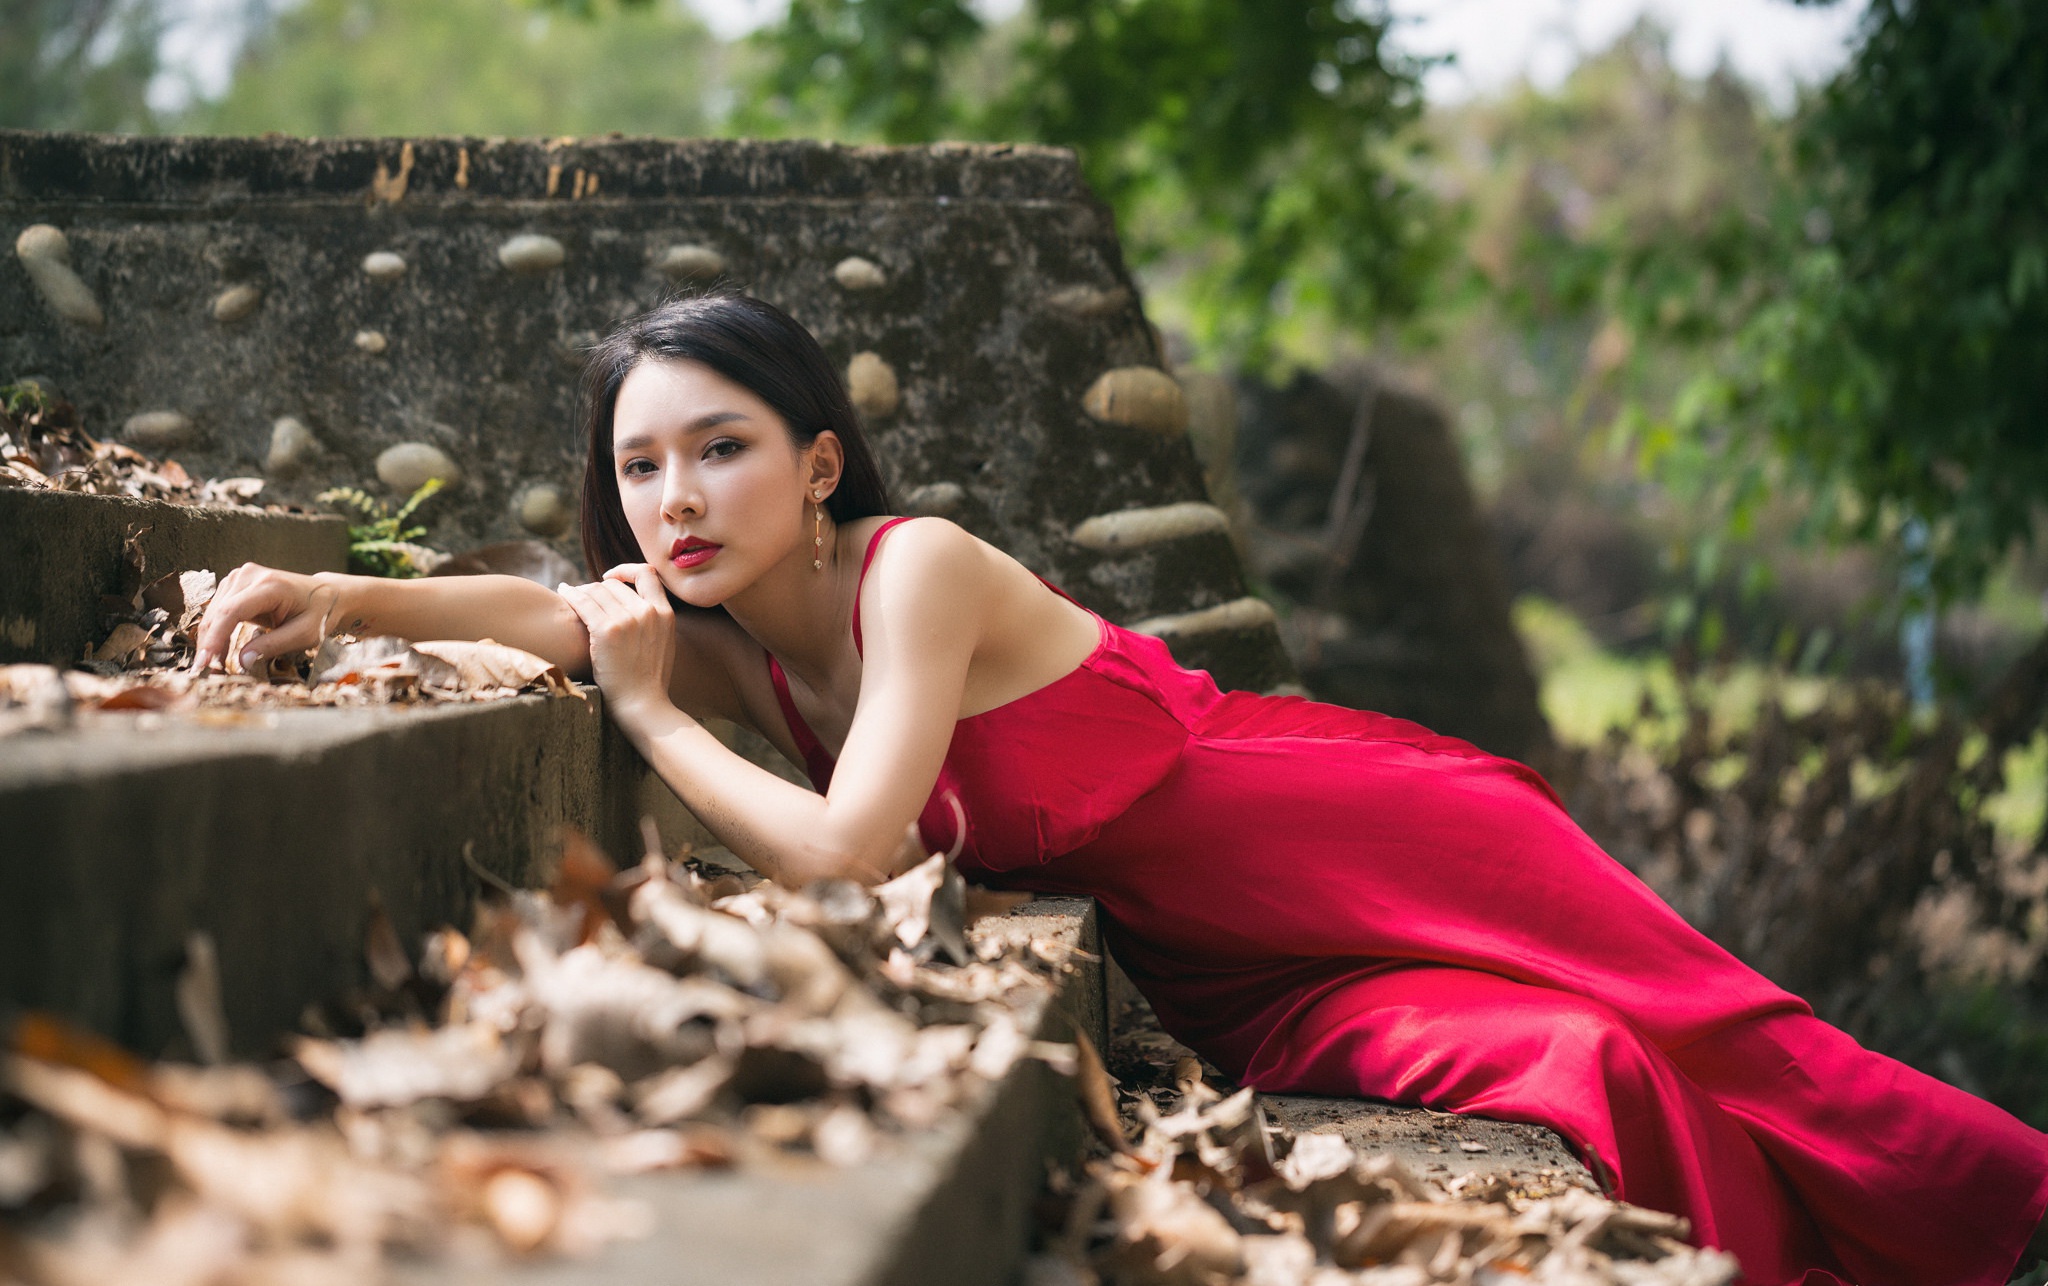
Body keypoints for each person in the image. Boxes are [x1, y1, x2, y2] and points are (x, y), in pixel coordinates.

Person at [194, 292, 2048, 1285]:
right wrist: (328, 587)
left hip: (1368, 842)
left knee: (1727, 1029)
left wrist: (654, 722)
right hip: (1248, 964)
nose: (675, 497)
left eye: (723, 449)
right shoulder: (726, 619)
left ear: (820, 458)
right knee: (1578, 1073)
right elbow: (545, 608)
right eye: (643, 464)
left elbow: (847, 855)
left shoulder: (913, 570)